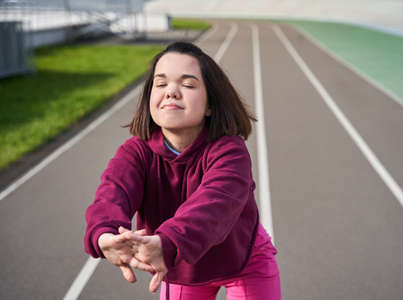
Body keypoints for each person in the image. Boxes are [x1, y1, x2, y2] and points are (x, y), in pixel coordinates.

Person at [84, 41, 281, 300]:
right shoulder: (136, 153)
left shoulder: (230, 151)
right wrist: (104, 234)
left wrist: (167, 243)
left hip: (242, 261)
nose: (171, 92)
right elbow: (113, 192)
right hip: (183, 266)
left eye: (187, 85)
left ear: (211, 104)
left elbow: (214, 204)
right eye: (161, 83)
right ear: (149, 98)